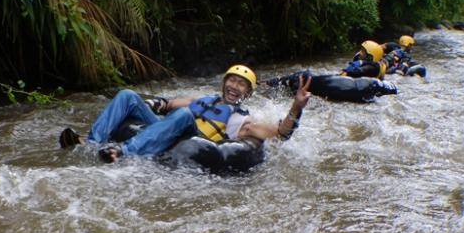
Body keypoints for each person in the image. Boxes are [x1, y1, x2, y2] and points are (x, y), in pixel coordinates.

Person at [59, 65, 312, 163]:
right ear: (224, 83)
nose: (235, 86)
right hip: (167, 129)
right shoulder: (200, 99)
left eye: (241, 84)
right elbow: (167, 103)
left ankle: (122, 151)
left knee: (183, 116)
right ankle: (91, 142)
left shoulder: (244, 122)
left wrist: (296, 107)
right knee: (127, 95)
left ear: (247, 93)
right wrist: (155, 103)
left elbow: (281, 133)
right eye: (232, 81)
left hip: (190, 140)